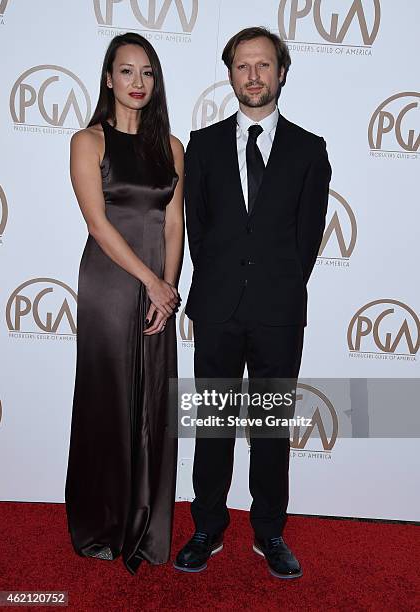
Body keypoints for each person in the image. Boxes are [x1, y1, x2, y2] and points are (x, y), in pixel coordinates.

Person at [175, 27, 331, 579]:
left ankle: (269, 532)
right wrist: (216, 291)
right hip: (216, 310)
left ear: (281, 72)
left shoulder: (310, 150)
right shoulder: (204, 144)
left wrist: (276, 290)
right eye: (243, 66)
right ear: (230, 74)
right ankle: (207, 527)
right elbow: (199, 228)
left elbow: (307, 236)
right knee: (212, 426)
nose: (254, 75)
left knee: (270, 431)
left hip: (277, 313)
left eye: (264, 65)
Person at [65, 32, 184, 575]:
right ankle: (103, 524)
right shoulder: (88, 141)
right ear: (108, 77)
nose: (138, 83)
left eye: (147, 73)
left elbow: (174, 223)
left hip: (157, 286)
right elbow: (98, 224)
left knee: (154, 407)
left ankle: (146, 525)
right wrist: (150, 283)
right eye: (127, 71)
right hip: (110, 285)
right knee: (109, 401)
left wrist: (168, 285)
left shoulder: (172, 147)